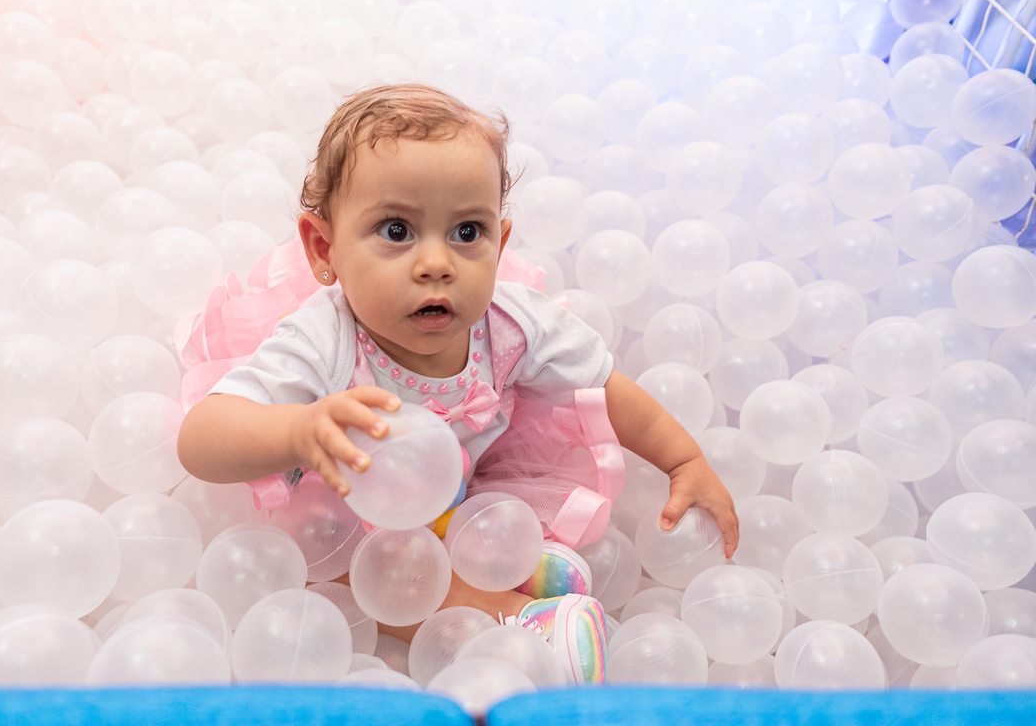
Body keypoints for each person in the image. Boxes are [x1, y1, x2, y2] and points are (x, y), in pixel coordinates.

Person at [177, 82, 737, 684]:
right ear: (324, 248)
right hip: (346, 525)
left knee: (483, 515)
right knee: (372, 576)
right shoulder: (325, 340)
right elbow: (201, 437)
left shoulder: (514, 323)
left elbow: (606, 388)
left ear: (501, 243)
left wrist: (684, 460)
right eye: (396, 231)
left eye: (468, 232)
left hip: (454, 504)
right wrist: (298, 429)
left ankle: (508, 565)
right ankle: (516, 619)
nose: (437, 262)